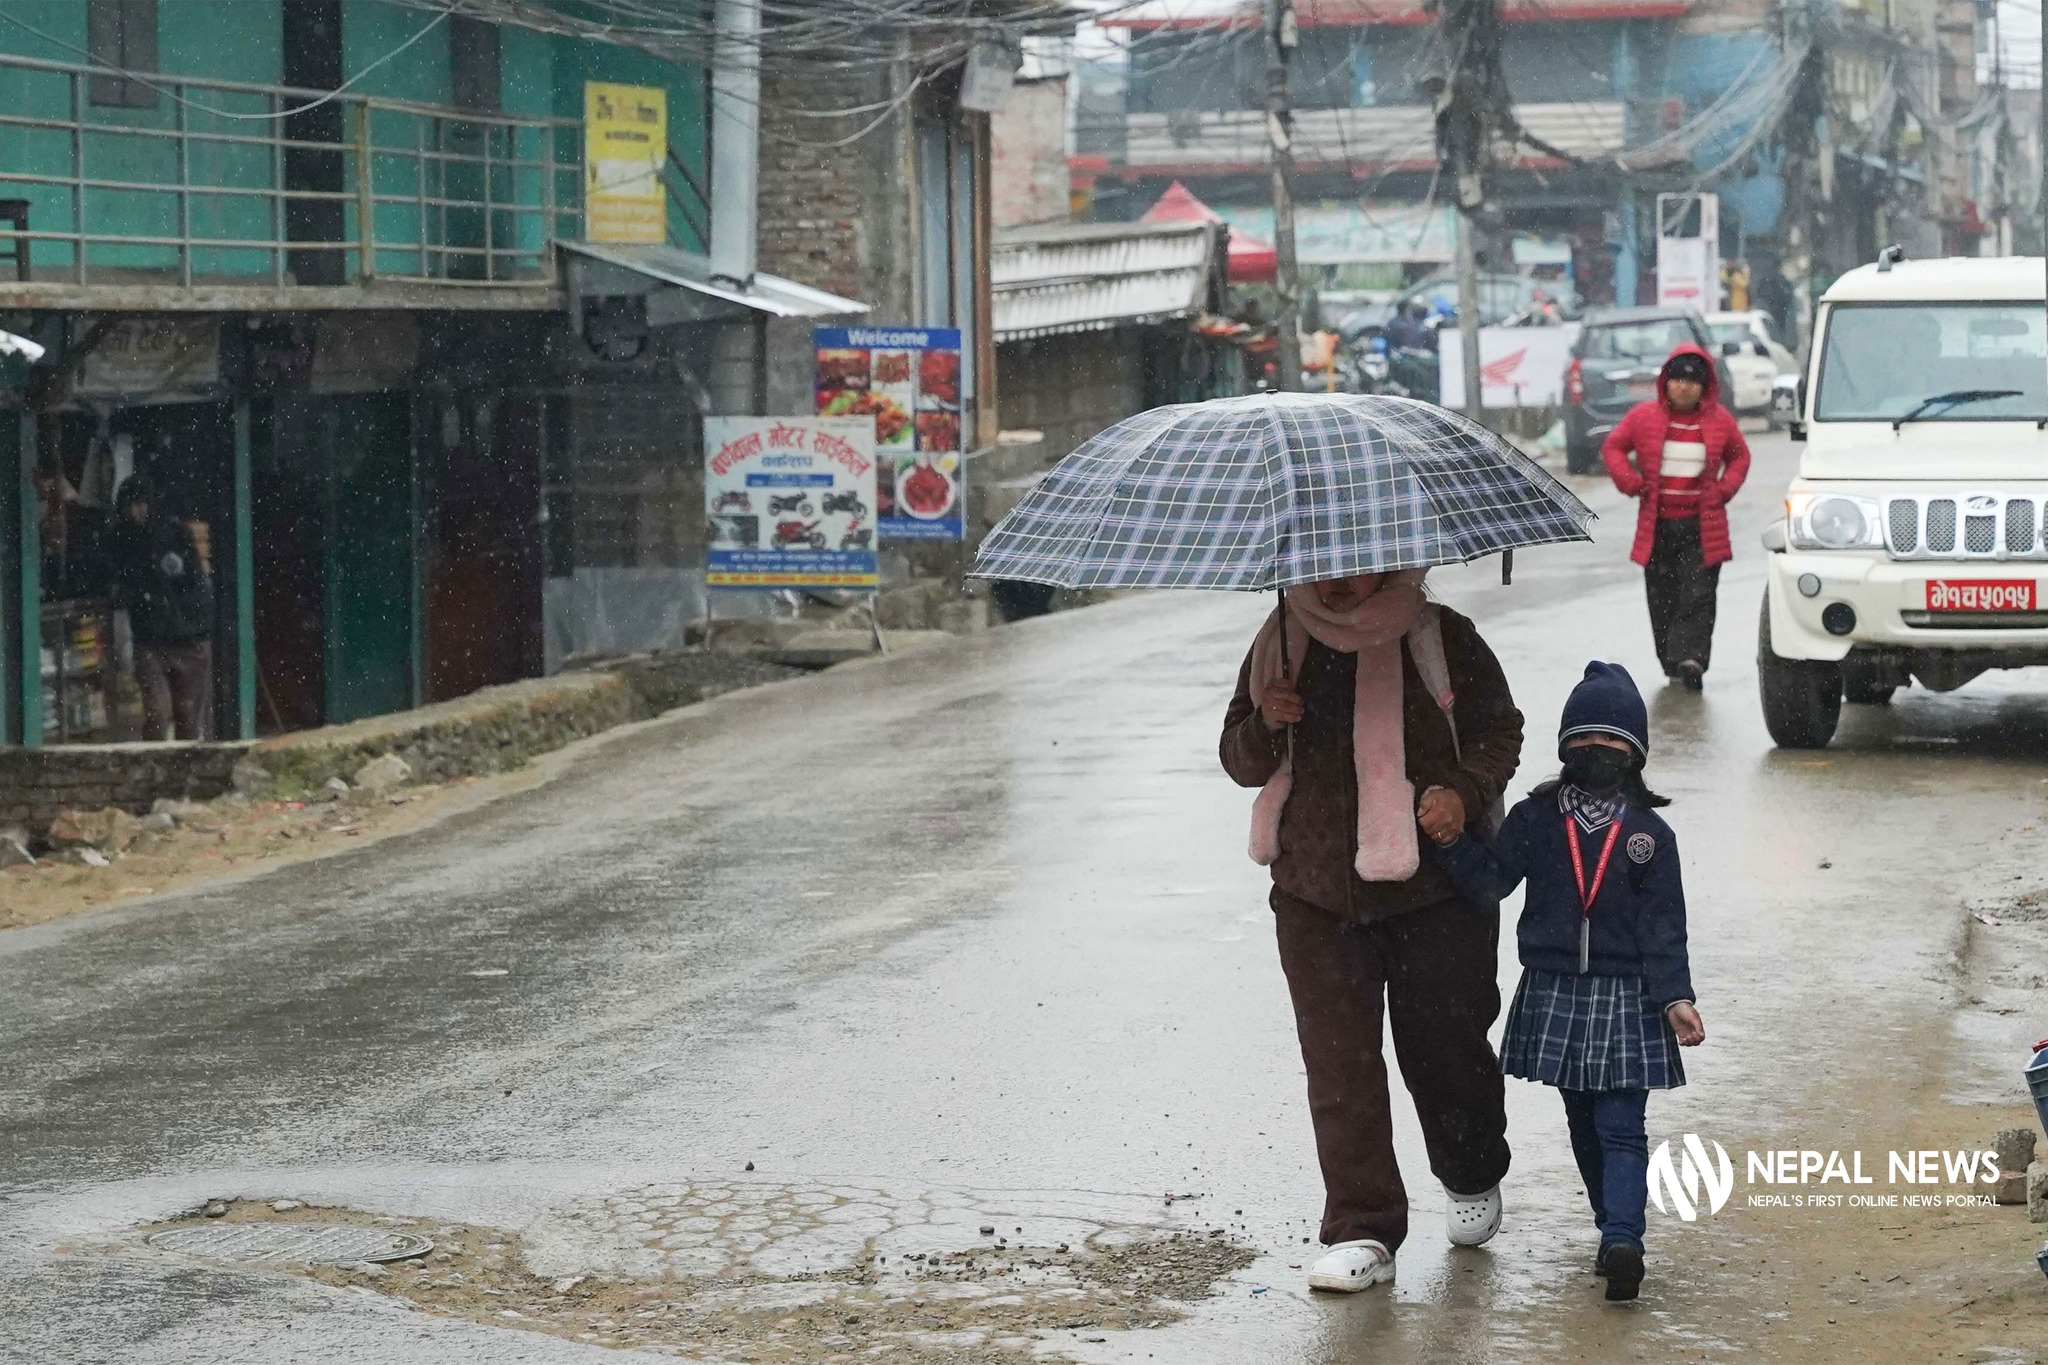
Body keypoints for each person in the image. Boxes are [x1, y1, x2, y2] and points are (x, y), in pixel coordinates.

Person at [1219, 570, 1524, 1294]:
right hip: (1314, 894)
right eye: (1323, 566)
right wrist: (1266, 719)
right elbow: (1238, 758)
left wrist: (1464, 791)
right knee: (1339, 1067)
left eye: (1356, 565)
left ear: (1391, 558)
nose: (1339, 580)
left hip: (1434, 893)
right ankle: (1363, 1226)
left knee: (1447, 1052)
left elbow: (1498, 730)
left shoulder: (1440, 636)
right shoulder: (1282, 639)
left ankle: (1470, 1166)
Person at [1427, 662, 1705, 1304]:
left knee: (1622, 1126)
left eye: (1610, 743)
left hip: (1631, 996)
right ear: (1563, 750)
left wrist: (1676, 997)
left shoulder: (1649, 836)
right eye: (1581, 742)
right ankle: (1612, 1229)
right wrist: (1447, 842)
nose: (1594, 752)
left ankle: (1624, 1238)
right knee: (1583, 1122)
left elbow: (1665, 927)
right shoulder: (1534, 820)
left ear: (1634, 754)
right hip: (1556, 989)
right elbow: (1493, 881)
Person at [1601, 345, 1751, 690]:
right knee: (1662, 596)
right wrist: (1631, 482)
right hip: (1659, 528)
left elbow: (1740, 457)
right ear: (1666, 383)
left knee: (1698, 595)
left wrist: (1724, 489)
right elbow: (1614, 447)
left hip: (1703, 528)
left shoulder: (1720, 421)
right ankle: (1671, 660)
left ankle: (1692, 659)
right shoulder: (1643, 418)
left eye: (1692, 381)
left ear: (1704, 386)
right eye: (1678, 380)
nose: (1684, 387)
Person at [111, 475, 215, 741]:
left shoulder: (177, 535)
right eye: (132, 505)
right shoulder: (121, 541)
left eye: (143, 503)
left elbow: (193, 583)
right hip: (151, 640)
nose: (138, 510)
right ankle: (154, 774)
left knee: (190, 719)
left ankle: (189, 776)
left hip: (190, 637)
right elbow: (118, 588)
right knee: (157, 713)